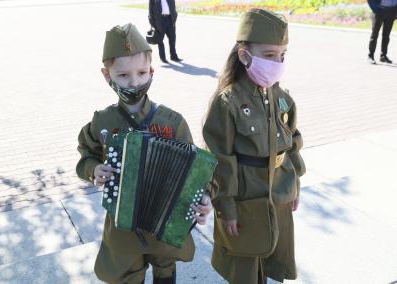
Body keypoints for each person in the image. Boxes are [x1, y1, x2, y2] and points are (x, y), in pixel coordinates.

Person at [76, 23, 212, 284]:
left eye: (141, 72)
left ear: (151, 71)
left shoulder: (172, 121)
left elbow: (199, 172)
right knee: (128, 275)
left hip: (166, 222)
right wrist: (93, 169)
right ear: (107, 76)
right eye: (123, 75)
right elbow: (86, 155)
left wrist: (205, 198)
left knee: (165, 271)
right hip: (121, 227)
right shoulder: (102, 121)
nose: (134, 82)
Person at [202, 9, 306, 284]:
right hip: (245, 199)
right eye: (269, 55)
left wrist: (295, 184)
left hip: (279, 194)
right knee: (246, 269)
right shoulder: (228, 102)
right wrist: (226, 207)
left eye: (282, 55)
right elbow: (220, 159)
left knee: (273, 258)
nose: (278, 62)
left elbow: (292, 144)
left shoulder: (281, 97)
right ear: (244, 54)